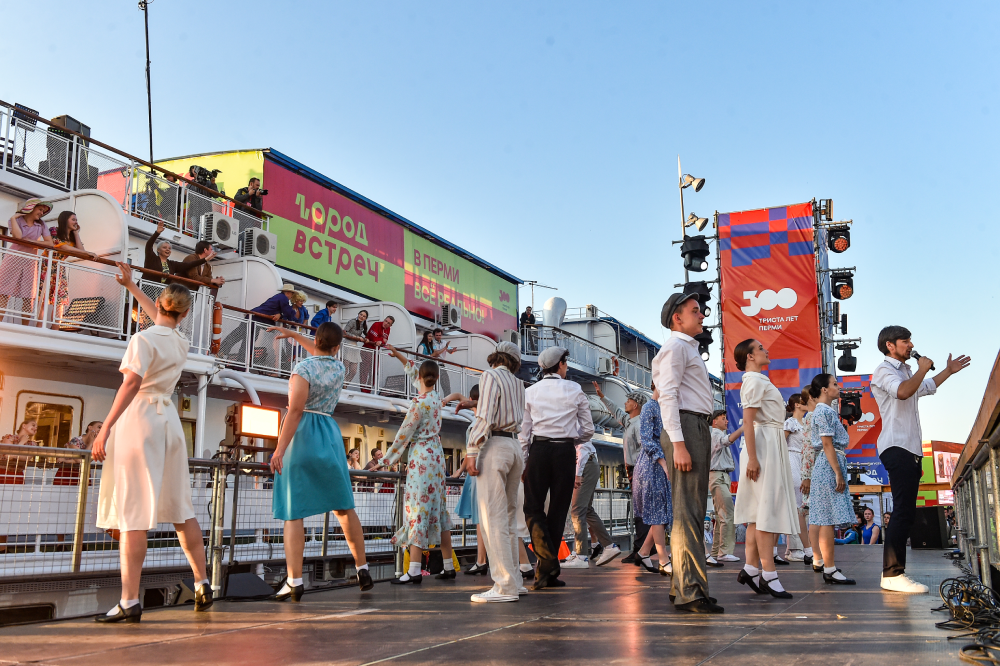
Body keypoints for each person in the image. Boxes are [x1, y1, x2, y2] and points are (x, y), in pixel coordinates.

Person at [91, 263, 212, 623]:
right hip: (169, 422)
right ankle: (203, 583)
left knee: (133, 513)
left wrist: (105, 428)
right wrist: (132, 287)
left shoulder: (142, 340)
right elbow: (162, 320)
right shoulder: (180, 341)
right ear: (184, 314)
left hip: (140, 419)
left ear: (160, 304)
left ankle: (129, 600)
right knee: (181, 508)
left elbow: (130, 384)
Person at [266, 324, 374, 599]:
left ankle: (294, 581)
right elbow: (322, 352)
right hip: (330, 435)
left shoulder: (302, 368)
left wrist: (279, 450)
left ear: (316, 340)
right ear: (337, 347)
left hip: (302, 435)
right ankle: (362, 568)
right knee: (344, 507)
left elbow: (295, 411)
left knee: (294, 512)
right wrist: (296, 336)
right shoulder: (338, 368)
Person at [871, 326, 970, 594]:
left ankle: (893, 573)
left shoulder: (906, 372)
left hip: (910, 448)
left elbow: (925, 387)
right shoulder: (884, 370)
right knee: (902, 511)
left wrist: (947, 371)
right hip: (896, 445)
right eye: (905, 341)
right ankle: (892, 574)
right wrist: (921, 369)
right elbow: (902, 392)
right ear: (890, 345)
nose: (911, 345)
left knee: (907, 511)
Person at [652, 293, 721, 614]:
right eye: (695, 311)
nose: (702, 315)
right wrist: (678, 443)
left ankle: (684, 585)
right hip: (686, 426)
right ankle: (690, 591)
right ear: (677, 318)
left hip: (694, 425)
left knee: (691, 509)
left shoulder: (684, 348)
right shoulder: (676, 347)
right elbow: (667, 395)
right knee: (688, 511)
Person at [520, 346, 594, 591]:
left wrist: (524, 462)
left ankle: (547, 566)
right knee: (559, 509)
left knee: (532, 507)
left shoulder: (530, 391)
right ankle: (548, 569)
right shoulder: (575, 389)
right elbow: (588, 430)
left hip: (539, 449)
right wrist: (571, 438)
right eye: (566, 363)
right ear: (560, 364)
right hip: (565, 452)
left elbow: (524, 434)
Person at [732, 339, 799, 600]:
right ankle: (769, 574)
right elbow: (748, 422)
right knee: (765, 512)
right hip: (764, 446)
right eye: (760, 348)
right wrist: (752, 458)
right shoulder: (754, 381)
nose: (766, 350)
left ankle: (751, 568)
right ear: (750, 356)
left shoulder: (756, 380)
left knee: (757, 513)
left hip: (768, 443)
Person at [464, 343, 530, 602]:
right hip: (514, 446)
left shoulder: (490, 376)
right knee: (510, 518)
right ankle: (515, 581)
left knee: (492, 517)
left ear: (495, 357)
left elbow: (485, 415)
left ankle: (504, 586)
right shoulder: (519, 384)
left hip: (494, 445)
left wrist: (472, 449)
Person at [384, 361, 456, 585]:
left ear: (420, 377)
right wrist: (398, 356)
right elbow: (421, 378)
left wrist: (387, 460)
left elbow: (404, 433)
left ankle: (414, 570)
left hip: (421, 457)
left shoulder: (419, 402)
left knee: (418, 509)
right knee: (439, 510)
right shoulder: (435, 398)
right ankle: (448, 566)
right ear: (436, 378)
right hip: (437, 457)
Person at [806, 373, 857, 586]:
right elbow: (827, 443)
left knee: (822, 517)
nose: (838, 387)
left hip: (825, 463)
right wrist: (838, 472)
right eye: (835, 384)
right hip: (829, 463)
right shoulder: (824, 411)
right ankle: (829, 568)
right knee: (826, 518)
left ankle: (826, 564)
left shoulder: (821, 411)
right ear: (824, 389)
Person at [592, 382, 643, 565]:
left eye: (628, 401)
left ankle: (641, 549)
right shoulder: (630, 421)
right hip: (633, 468)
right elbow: (617, 412)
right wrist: (602, 397)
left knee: (640, 510)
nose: (625, 403)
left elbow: (644, 447)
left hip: (638, 468)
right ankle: (641, 549)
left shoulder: (639, 424)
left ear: (635, 405)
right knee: (638, 509)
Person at [562, 428, 618, 570]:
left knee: (577, 511)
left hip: (585, 464)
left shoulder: (573, 421)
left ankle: (581, 556)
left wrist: (578, 473)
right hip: (588, 463)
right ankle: (608, 545)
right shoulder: (574, 421)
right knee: (586, 510)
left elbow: (582, 448)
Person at [632, 384, 672, 575]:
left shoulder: (664, 407)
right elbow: (646, 439)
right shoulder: (650, 407)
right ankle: (663, 559)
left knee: (661, 513)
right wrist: (663, 463)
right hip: (652, 464)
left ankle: (644, 552)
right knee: (658, 513)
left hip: (661, 462)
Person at [0, 199, 53, 326]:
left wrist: (31, 242)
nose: (42, 213)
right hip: (13, 259)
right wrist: (13, 218)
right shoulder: (16, 220)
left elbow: (50, 243)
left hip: (30, 262)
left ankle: (26, 328)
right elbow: (18, 237)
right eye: (40, 209)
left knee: (29, 296)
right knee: (3, 293)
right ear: (31, 208)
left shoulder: (41, 224)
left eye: (43, 211)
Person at [455, 385, 489, 576]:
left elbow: (471, 453)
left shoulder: (477, 424)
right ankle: (483, 560)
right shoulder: (487, 420)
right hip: (482, 469)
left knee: (480, 519)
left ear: (471, 399)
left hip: (476, 473)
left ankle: (481, 560)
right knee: (484, 519)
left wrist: (460, 471)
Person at [42, 211, 91, 327]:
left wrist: (76, 233)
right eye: (73, 219)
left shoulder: (72, 238)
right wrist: (88, 253)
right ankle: (39, 327)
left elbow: (81, 253)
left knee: (60, 300)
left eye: (76, 220)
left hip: (60, 268)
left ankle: (55, 329)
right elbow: (63, 247)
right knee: (43, 298)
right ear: (65, 220)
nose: (76, 222)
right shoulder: (54, 230)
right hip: (47, 266)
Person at [708, 410, 744, 565]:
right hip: (718, 476)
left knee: (721, 515)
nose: (727, 421)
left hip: (720, 476)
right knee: (727, 514)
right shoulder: (715, 434)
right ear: (714, 421)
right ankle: (725, 551)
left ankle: (717, 551)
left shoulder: (716, 434)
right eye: (723, 418)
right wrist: (742, 428)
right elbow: (726, 441)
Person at [782, 394, 810, 562]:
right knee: (796, 505)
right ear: (797, 405)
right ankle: (795, 549)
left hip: (804, 462)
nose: (807, 403)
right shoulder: (790, 422)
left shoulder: (806, 423)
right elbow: (780, 443)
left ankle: (793, 548)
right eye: (803, 401)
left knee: (802, 506)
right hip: (792, 460)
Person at [144, 220, 211, 284]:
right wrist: (157, 232)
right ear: (158, 250)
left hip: (162, 290)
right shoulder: (152, 258)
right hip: (146, 287)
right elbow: (148, 245)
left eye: (169, 248)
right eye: (164, 247)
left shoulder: (172, 264)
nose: (167, 250)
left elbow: (189, 264)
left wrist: (205, 259)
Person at [798, 385, 819, 567]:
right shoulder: (811, 417)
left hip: (815, 468)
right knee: (814, 515)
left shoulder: (812, 416)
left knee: (815, 515)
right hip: (812, 470)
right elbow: (808, 447)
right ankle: (814, 553)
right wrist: (807, 476)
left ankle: (816, 554)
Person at [364, 315, 394, 392]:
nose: (386, 323)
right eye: (385, 321)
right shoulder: (376, 324)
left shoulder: (388, 329)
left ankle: (368, 391)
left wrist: (380, 340)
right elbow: (374, 339)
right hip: (367, 350)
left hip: (376, 352)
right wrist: (381, 339)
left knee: (374, 372)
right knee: (364, 371)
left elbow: (385, 341)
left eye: (388, 323)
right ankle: (363, 390)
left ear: (390, 325)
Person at [342, 310, 368, 385]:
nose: (361, 317)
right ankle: (343, 385)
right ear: (358, 314)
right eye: (361, 314)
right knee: (345, 368)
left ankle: (345, 384)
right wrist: (355, 337)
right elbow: (345, 331)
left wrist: (364, 339)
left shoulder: (363, 325)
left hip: (354, 346)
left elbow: (359, 336)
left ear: (365, 318)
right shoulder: (352, 321)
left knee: (353, 371)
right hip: (347, 344)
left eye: (364, 316)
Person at [432, 328, 457, 395]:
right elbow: (436, 353)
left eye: (439, 335)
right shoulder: (432, 343)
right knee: (433, 384)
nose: (438, 337)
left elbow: (449, 351)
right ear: (434, 335)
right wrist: (445, 347)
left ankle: (447, 400)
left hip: (442, 365)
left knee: (446, 384)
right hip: (434, 365)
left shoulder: (444, 342)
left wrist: (452, 350)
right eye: (437, 335)